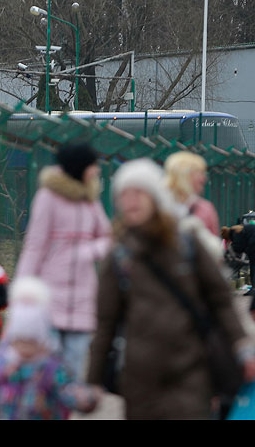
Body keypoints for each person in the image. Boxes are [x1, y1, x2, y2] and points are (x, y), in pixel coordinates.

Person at [86, 158, 255, 420]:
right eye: (124, 194)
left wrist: (242, 345)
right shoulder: (119, 256)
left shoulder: (186, 244)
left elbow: (220, 300)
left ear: (155, 197)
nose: (131, 200)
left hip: (190, 372)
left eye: (138, 193)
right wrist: (92, 381)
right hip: (140, 381)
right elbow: (106, 323)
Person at [14, 142, 111, 381]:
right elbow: (35, 245)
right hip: (50, 298)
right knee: (47, 373)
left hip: (82, 301)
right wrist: (22, 290)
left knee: (73, 374)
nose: (97, 170)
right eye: (92, 165)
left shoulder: (90, 199)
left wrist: (87, 251)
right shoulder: (48, 197)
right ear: (79, 167)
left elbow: (108, 238)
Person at [0, 277, 101, 420]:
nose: (25, 348)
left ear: (43, 341)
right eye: (20, 340)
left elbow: (68, 390)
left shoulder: (51, 368)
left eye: (32, 341)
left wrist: (86, 398)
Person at [164, 151, 223, 261]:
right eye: (199, 173)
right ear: (184, 175)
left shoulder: (206, 208)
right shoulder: (157, 207)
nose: (204, 178)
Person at [222, 224, 255, 297]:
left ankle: (253, 289)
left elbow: (238, 247)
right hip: (252, 243)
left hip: (253, 244)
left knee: (253, 266)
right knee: (253, 266)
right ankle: (253, 289)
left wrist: (227, 252)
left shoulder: (234, 233)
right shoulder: (236, 229)